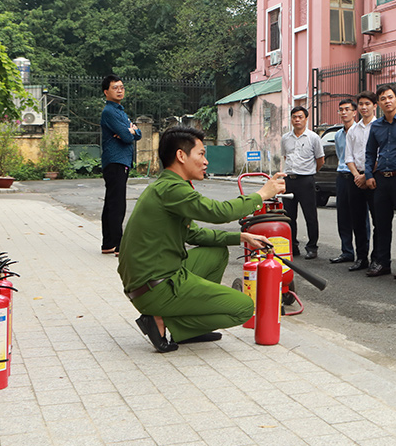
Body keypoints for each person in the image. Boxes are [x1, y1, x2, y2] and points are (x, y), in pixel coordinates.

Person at [117, 126, 285, 352]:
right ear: (181, 156)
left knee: (216, 252)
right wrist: (262, 194)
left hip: (150, 279)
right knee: (244, 308)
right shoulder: (172, 189)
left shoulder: (166, 186)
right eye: (201, 154)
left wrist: (241, 237)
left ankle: (188, 328)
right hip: (155, 286)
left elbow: (194, 233)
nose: (206, 161)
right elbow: (218, 212)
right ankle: (165, 321)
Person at [364, 84, 396, 277]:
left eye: (390, 97)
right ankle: (383, 262)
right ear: (378, 103)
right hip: (381, 181)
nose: (387, 101)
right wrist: (369, 175)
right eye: (383, 98)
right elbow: (370, 153)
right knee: (382, 224)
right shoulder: (376, 126)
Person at [100, 74, 142, 256]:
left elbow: (137, 134)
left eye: (122, 87)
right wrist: (129, 131)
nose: (119, 90)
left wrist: (131, 130)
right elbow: (127, 137)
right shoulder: (109, 111)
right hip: (116, 161)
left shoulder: (120, 111)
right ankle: (118, 245)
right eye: (115, 87)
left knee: (111, 202)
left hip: (119, 161)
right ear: (106, 91)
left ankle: (108, 243)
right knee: (116, 203)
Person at [281, 106, 324, 259]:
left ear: (306, 119)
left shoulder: (313, 138)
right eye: (294, 117)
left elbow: (320, 160)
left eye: (300, 117)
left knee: (310, 216)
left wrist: (310, 172)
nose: (297, 120)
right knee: (288, 216)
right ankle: (292, 246)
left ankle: (312, 247)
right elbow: (286, 157)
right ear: (291, 119)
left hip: (306, 181)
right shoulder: (285, 138)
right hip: (289, 181)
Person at [344, 91, 378, 272]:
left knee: (378, 220)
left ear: (374, 106)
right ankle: (361, 257)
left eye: (367, 104)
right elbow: (348, 156)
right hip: (355, 178)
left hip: (373, 178)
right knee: (357, 220)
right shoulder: (353, 130)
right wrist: (357, 175)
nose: (364, 107)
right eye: (361, 104)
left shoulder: (379, 126)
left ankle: (376, 258)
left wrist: (367, 175)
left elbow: (380, 154)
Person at [331, 99, 364, 265]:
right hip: (342, 176)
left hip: (357, 176)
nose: (344, 113)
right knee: (342, 215)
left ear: (354, 112)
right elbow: (341, 155)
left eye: (347, 109)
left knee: (360, 216)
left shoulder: (360, 131)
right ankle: (346, 251)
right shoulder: (338, 135)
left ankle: (362, 254)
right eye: (341, 110)